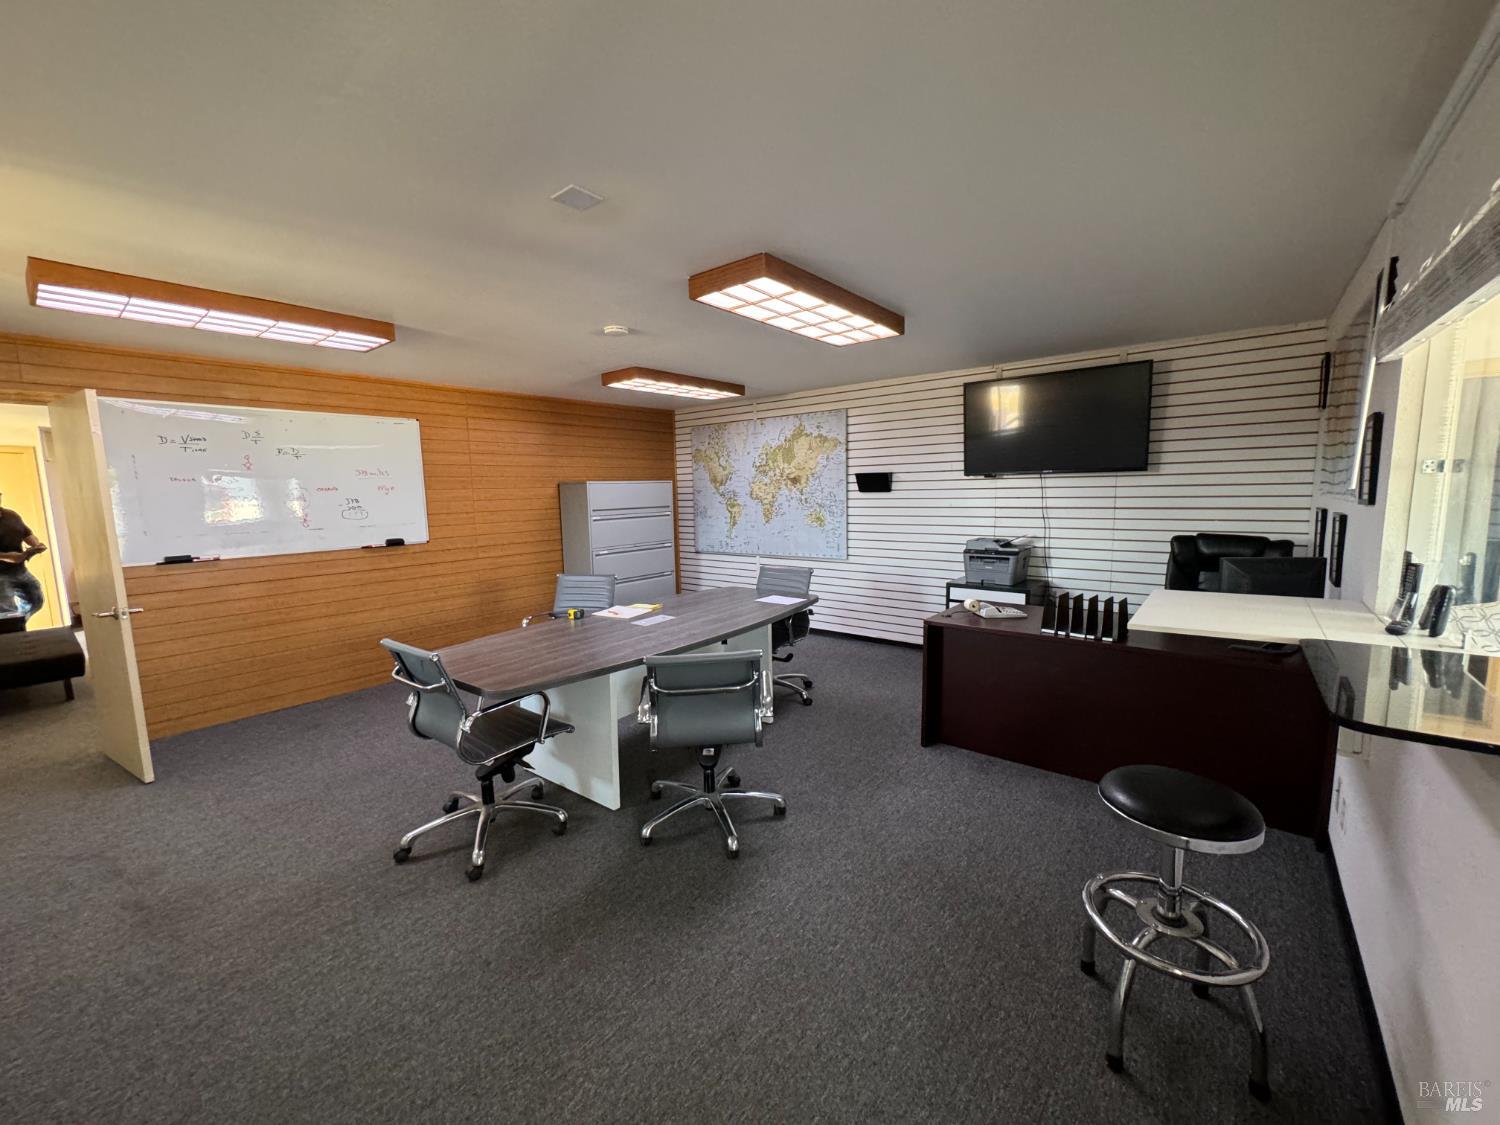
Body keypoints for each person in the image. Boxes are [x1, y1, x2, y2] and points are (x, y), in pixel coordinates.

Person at [0, 490, 49, 622]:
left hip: (20, 571)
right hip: (1, 576)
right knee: (7, 613)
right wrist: (9, 557)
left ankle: (18, 624)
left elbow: (27, 534)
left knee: (36, 601)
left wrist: (36, 545)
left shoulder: (12, 515)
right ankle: (13, 630)